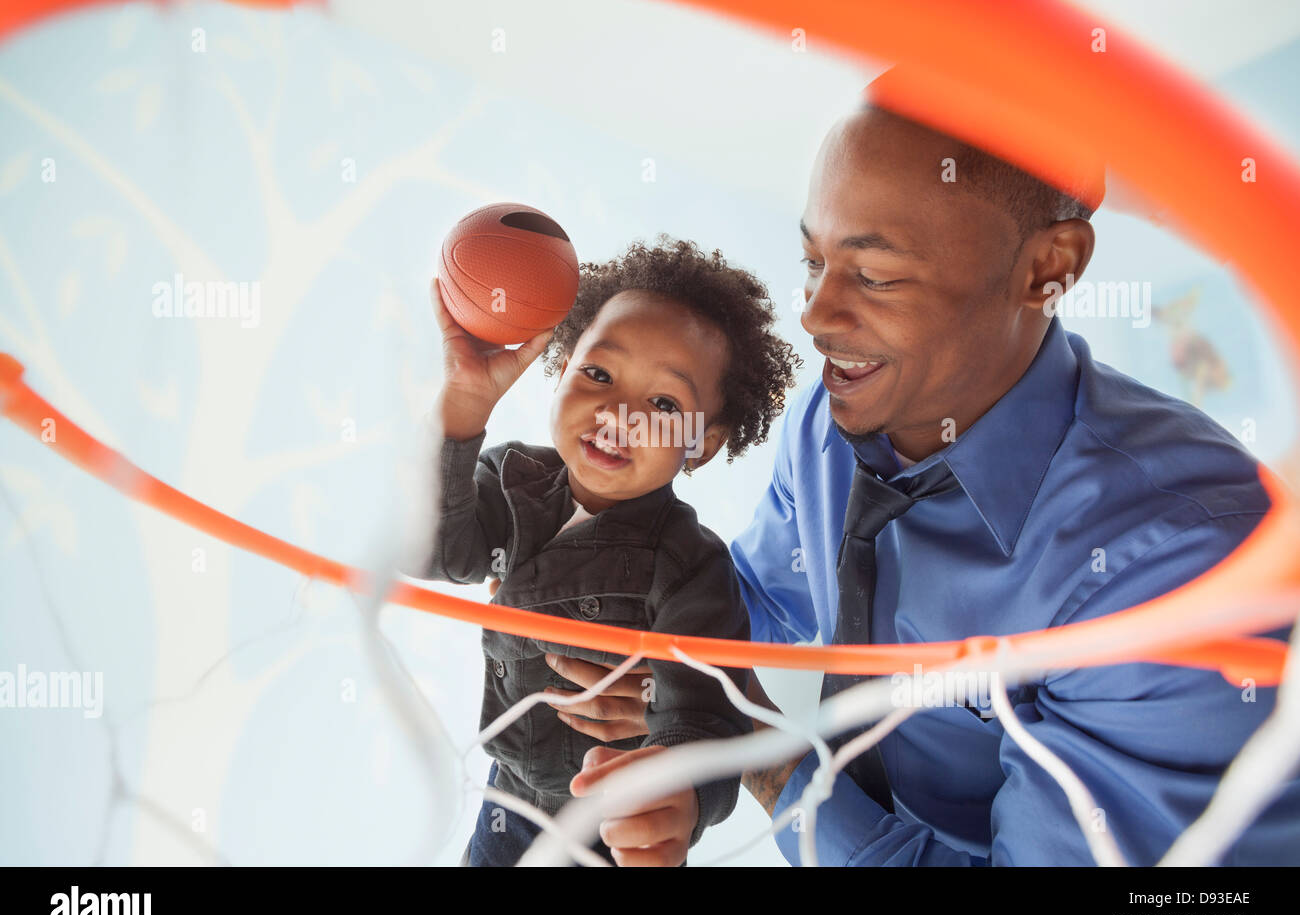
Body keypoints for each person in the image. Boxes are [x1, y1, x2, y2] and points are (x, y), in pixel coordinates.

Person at [554, 89, 1300, 865]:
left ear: (1048, 269)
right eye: (814, 262)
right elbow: (767, 597)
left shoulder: (1183, 568)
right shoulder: (827, 422)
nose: (814, 315)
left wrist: (756, 753)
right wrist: (646, 636)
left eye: (874, 276)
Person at [404, 236, 800, 866]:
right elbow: (430, 549)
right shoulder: (510, 477)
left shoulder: (691, 566)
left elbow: (705, 720)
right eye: (598, 373)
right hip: (511, 799)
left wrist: (681, 802)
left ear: (700, 442)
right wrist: (462, 408)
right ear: (560, 367)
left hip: (613, 819)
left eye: (664, 404)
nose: (619, 414)